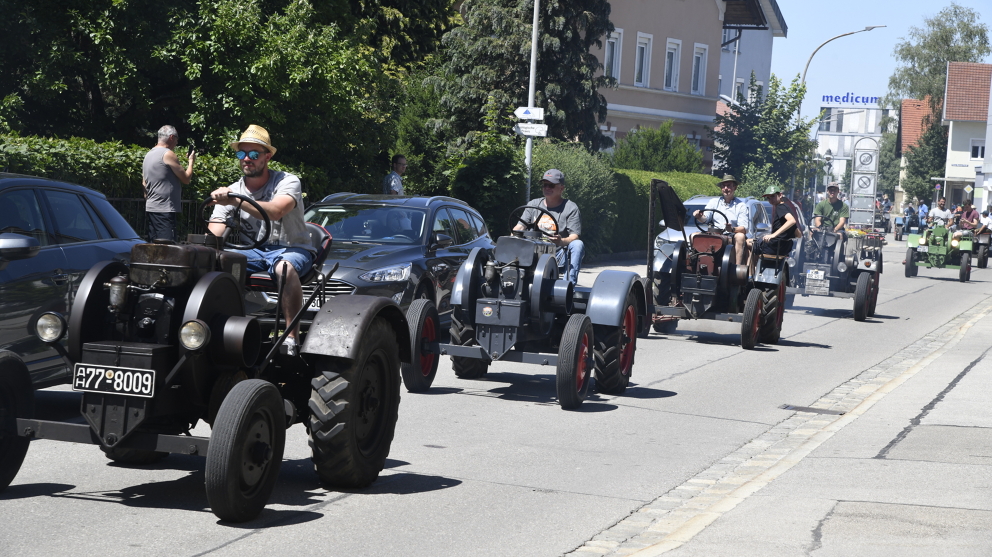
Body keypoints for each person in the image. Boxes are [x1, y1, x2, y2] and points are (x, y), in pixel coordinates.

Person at [207, 125, 315, 356]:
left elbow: (276, 211)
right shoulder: (234, 190)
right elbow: (215, 230)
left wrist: (234, 201)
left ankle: (291, 338)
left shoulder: (288, 181)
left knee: (283, 268)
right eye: (241, 154)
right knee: (217, 261)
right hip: (256, 251)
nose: (247, 159)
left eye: (254, 154)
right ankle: (218, 328)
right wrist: (209, 245)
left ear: (268, 156)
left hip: (292, 248)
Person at [514, 169, 584, 283]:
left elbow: (574, 236)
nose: (547, 188)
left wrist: (560, 241)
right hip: (533, 251)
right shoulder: (533, 204)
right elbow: (520, 226)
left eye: (551, 185)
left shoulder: (571, 208)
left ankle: (568, 286)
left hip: (558, 254)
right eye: (545, 185)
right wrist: (512, 236)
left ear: (561, 188)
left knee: (578, 245)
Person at [142, 125, 196, 241]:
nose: (177, 142)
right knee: (167, 249)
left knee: (153, 247)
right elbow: (186, 179)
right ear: (171, 137)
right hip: (165, 209)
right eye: (177, 139)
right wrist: (191, 162)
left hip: (152, 208)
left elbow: (144, 183)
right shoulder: (168, 154)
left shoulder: (148, 155)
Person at [691, 174, 750, 265]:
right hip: (714, 233)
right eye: (723, 186)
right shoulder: (713, 202)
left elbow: (744, 228)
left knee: (740, 236)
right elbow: (705, 219)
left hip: (730, 235)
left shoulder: (741, 205)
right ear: (721, 188)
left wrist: (732, 229)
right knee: (693, 236)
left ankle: (736, 268)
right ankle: (695, 263)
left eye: (729, 185)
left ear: (735, 188)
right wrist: (699, 216)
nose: (726, 188)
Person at [748, 185, 796, 261]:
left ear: (780, 195)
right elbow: (798, 233)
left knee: (747, 242)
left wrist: (773, 235)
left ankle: (751, 271)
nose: (770, 200)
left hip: (775, 247)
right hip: (784, 247)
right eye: (768, 198)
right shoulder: (787, 207)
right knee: (756, 245)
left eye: (773, 196)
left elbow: (792, 221)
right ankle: (756, 268)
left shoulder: (780, 207)